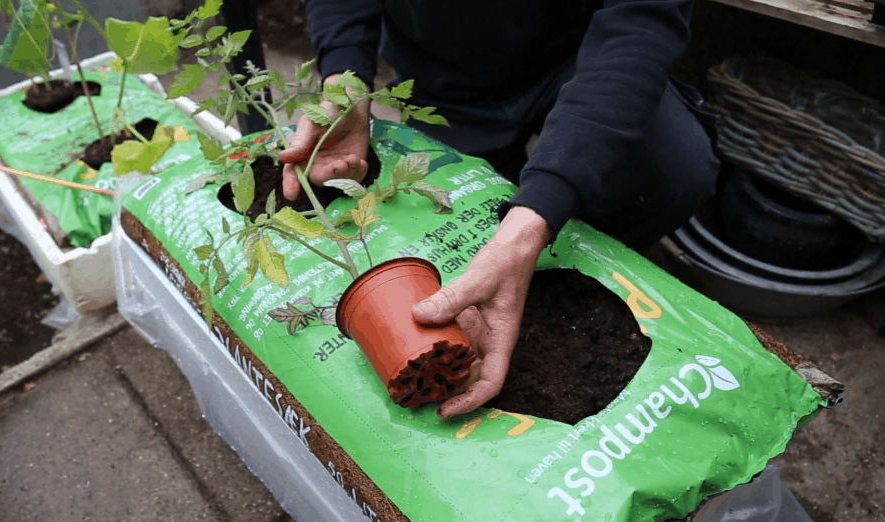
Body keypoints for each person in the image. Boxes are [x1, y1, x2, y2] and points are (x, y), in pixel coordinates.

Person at [278, 1, 721, 419]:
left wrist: (538, 213)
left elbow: (641, 24)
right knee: (457, 227)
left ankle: (570, 274)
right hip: (444, 73)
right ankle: (516, 270)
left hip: (580, 55)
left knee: (676, 172)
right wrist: (346, 79)